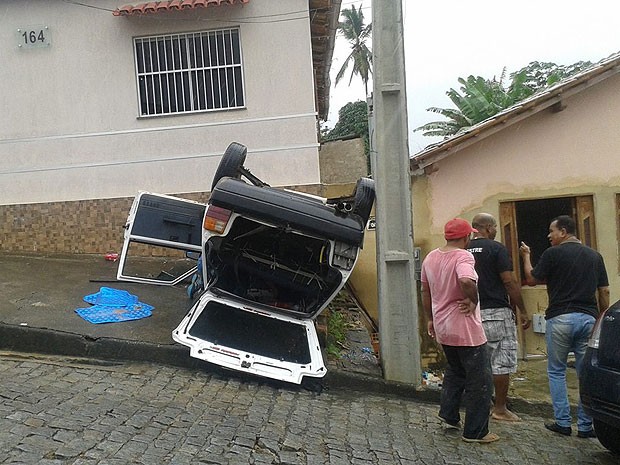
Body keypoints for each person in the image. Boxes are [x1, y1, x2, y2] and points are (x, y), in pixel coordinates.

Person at [520, 215, 609, 438]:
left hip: (560, 319)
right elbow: (604, 291)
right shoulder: (594, 256)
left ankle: (563, 422)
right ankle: (587, 426)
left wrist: (526, 256)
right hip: (588, 318)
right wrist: (601, 317)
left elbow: (531, 279)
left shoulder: (552, 254)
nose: (549, 236)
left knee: (556, 371)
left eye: (551, 231)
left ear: (563, 231)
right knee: (585, 372)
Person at [421, 218, 498, 444]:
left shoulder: (431, 257)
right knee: (480, 380)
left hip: (443, 326)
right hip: (465, 328)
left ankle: (449, 415)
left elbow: (425, 291)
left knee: (455, 372)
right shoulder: (463, 256)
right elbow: (465, 280)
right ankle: (476, 431)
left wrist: (430, 319)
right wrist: (473, 300)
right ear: (466, 238)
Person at [469, 213, 531, 422]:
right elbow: (509, 281)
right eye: (494, 227)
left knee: (477, 362)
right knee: (500, 361)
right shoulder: (497, 249)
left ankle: (479, 406)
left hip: (470, 313)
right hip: (496, 311)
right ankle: (500, 408)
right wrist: (522, 308)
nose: (496, 230)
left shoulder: (463, 250)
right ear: (486, 228)